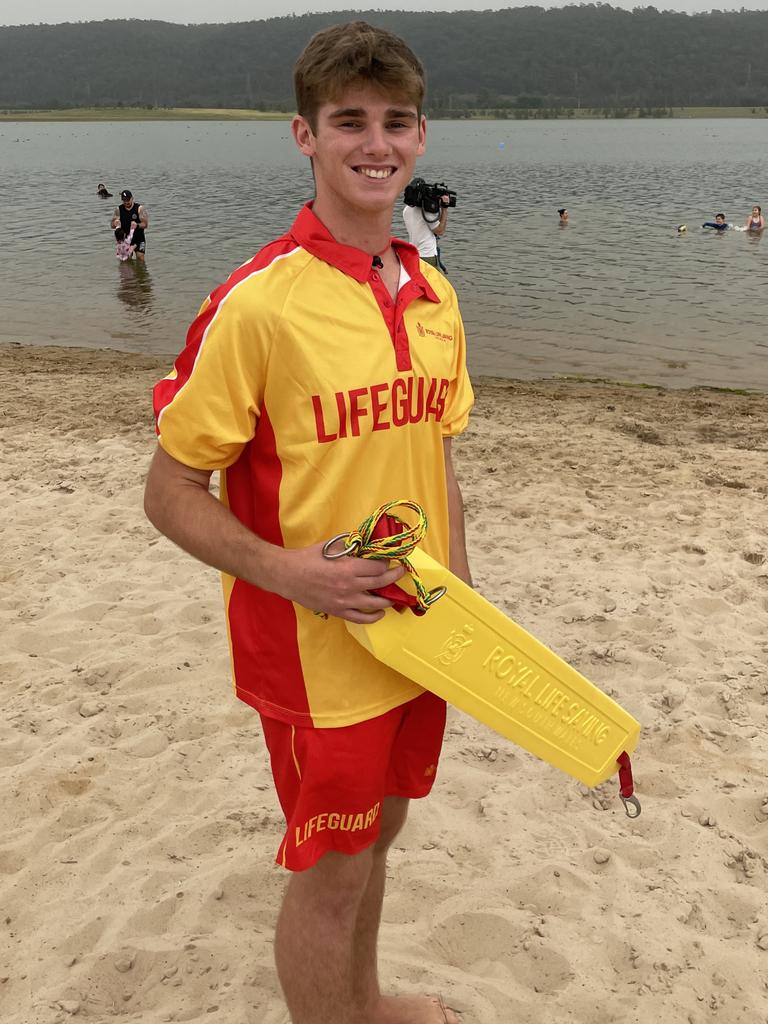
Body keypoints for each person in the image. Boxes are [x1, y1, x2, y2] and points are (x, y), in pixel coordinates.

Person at [143, 20, 473, 1024]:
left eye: (395, 123)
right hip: (310, 646)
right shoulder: (259, 304)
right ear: (305, 136)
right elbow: (168, 493)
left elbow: (440, 457)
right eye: (348, 123)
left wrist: (460, 601)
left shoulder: (433, 295)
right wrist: (293, 573)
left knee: (383, 834)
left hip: (419, 636)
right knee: (330, 866)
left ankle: (364, 1004)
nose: (375, 144)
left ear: (421, 137)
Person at [402, 180, 450, 271]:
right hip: (428, 255)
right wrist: (444, 209)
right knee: (436, 284)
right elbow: (440, 231)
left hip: (414, 255)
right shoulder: (427, 211)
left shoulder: (406, 210)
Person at [111, 189, 148, 262]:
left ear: (132, 198)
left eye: (128, 199)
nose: (126, 202)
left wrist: (137, 225)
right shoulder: (118, 209)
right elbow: (112, 225)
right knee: (126, 261)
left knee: (140, 259)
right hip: (125, 240)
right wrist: (115, 223)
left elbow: (145, 224)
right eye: (124, 200)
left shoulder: (139, 209)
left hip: (139, 239)